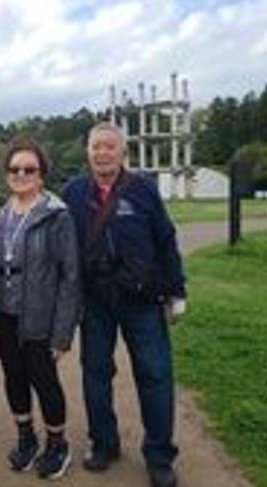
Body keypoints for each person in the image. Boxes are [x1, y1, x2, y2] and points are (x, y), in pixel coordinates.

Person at [62, 121, 187, 487]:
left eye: (109, 147)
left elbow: (166, 240)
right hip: (96, 301)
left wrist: (177, 291)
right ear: (88, 151)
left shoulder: (144, 190)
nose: (102, 153)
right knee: (96, 374)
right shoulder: (73, 192)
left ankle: (160, 456)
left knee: (155, 375)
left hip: (142, 300)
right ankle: (104, 443)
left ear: (123, 152)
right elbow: (62, 246)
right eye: (96, 146)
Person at [0, 136, 82, 480]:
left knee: (44, 380)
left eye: (29, 169)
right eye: (14, 169)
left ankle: (57, 444)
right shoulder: (1, 211)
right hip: (3, 312)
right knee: (14, 377)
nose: (21, 174)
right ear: (6, 174)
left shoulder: (57, 216)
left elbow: (70, 278)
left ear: (42, 175)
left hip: (40, 316)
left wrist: (62, 333)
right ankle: (26, 438)